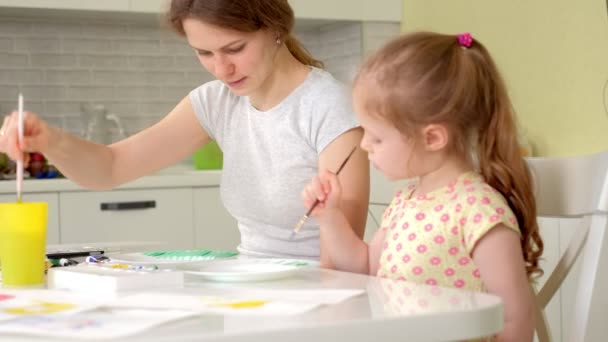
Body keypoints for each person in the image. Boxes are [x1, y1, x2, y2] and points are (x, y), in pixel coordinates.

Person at [0, 0, 370, 263]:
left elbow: (340, 262)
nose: (221, 69)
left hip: (315, 290)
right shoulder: (216, 101)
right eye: (204, 53)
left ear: (275, 28)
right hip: (251, 284)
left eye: (234, 48)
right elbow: (111, 167)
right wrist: (50, 140)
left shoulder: (330, 107)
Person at [302, 31, 543, 341]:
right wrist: (331, 218)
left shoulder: (479, 211)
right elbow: (366, 269)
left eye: (377, 137)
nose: (364, 145)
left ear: (432, 138)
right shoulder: (406, 202)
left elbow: (515, 316)